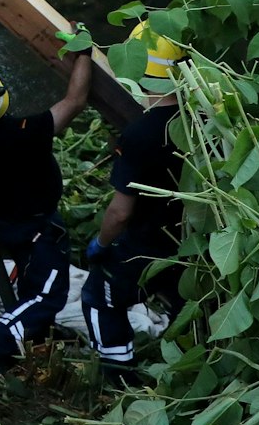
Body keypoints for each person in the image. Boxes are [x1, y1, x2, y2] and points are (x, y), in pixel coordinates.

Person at [0, 4, 93, 374]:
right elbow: (75, 100)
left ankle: (31, 331)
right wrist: (85, 52)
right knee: (48, 294)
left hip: (0, 217)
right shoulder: (20, 136)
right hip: (34, 225)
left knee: (30, 272)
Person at [81, 23, 189, 385]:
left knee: (100, 296)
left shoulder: (141, 133)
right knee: (184, 305)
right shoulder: (204, 121)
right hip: (189, 244)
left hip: (144, 246)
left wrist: (102, 244)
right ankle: (183, 368)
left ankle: (118, 373)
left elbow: (120, 211)